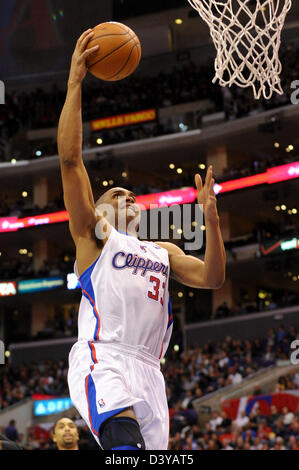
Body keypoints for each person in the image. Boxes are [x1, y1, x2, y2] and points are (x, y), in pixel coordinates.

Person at [57, 28, 226, 451]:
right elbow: (70, 159)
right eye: (117, 194)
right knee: (124, 445)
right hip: (105, 356)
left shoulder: (162, 250)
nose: (128, 195)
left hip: (151, 370)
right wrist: (75, 82)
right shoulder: (94, 238)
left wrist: (211, 221)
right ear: (99, 211)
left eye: (132, 194)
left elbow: (213, 279)